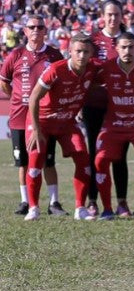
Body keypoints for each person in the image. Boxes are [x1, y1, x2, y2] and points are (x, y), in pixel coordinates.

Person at [24, 33, 99, 221]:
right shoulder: (56, 70)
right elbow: (34, 98)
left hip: (67, 122)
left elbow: (117, 66)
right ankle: (33, 208)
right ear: (69, 52)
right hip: (43, 121)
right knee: (35, 161)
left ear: (91, 54)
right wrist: (36, 129)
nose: (82, 55)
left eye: (86, 52)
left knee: (83, 159)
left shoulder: (93, 69)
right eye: (78, 51)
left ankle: (80, 209)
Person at [0, 15, 64, 216]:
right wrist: (19, 99)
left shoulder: (54, 55)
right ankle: (25, 201)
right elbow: (4, 81)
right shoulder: (16, 54)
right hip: (20, 117)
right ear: (25, 31)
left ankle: (54, 203)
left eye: (40, 27)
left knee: (48, 160)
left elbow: (62, 83)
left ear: (45, 31)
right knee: (23, 161)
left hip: (46, 117)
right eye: (31, 27)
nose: (36, 30)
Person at [92, 33, 134, 221]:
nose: (127, 51)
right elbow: (89, 83)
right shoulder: (107, 68)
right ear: (116, 49)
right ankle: (107, 209)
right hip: (113, 125)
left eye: (131, 47)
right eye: (123, 47)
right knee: (100, 161)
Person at [82, 0, 127, 217]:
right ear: (103, 16)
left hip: (120, 107)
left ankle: (122, 202)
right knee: (94, 153)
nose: (112, 18)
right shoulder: (93, 41)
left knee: (119, 154)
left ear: (121, 16)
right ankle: (92, 201)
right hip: (94, 105)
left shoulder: (128, 41)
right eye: (109, 14)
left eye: (116, 14)